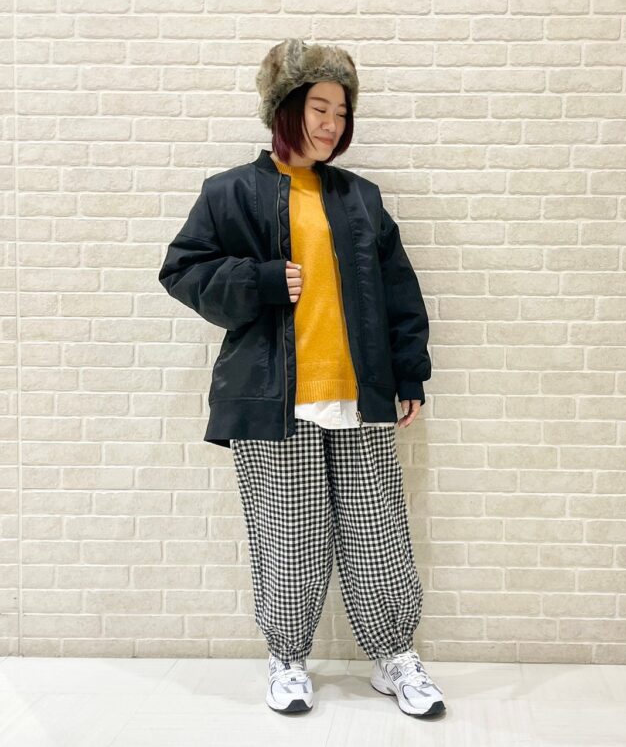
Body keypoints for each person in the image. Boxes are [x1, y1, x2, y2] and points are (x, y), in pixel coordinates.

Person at [158, 38, 445, 718]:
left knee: (378, 534)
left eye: (341, 113)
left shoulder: (361, 199)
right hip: (273, 402)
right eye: (319, 107)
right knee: (290, 538)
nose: (331, 123)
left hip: (360, 396)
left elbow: (399, 292)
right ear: (285, 108)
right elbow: (182, 270)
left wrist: (410, 374)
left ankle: (394, 656)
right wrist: (258, 281)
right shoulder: (231, 192)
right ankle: (287, 659)